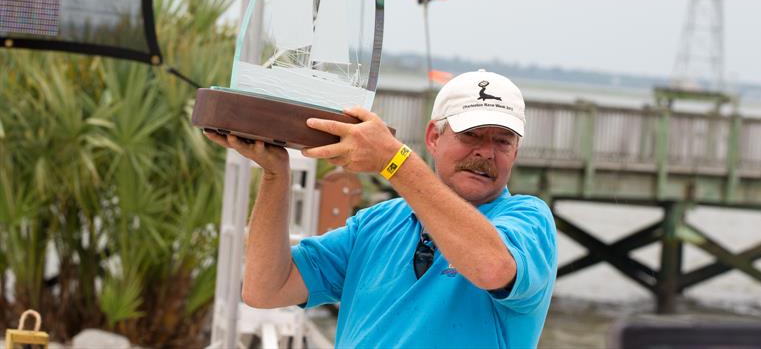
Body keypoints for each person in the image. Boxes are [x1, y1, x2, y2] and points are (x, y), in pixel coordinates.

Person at [204, 69, 558, 348]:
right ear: (434, 137)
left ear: (516, 152)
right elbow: (265, 290)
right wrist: (274, 176)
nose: (486, 152)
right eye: (472, 135)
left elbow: (492, 267)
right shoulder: (375, 224)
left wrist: (394, 160)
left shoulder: (530, 219)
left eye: (502, 140)